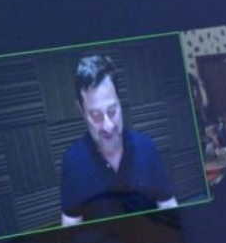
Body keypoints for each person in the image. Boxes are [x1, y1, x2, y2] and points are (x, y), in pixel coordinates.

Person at [61, 55, 178, 226]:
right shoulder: (72, 161)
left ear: (119, 101)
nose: (108, 126)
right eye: (96, 115)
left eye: (112, 111)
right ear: (80, 109)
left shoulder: (146, 148)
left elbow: (168, 206)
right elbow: (70, 226)